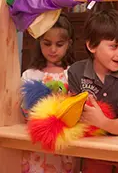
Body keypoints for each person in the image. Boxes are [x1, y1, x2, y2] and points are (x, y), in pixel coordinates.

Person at [67, 9, 118, 173]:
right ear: (91, 45)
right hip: (95, 148)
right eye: (114, 46)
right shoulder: (76, 71)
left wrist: (100, 121)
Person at [20, 14, 79, 173]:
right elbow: (24, 109)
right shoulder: (31, 75)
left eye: (59, 44)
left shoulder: (72, 73)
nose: (53, 50)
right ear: (39, 42)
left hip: (63, 142)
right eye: (47, 44)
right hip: (36, 141)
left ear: (69, 44)